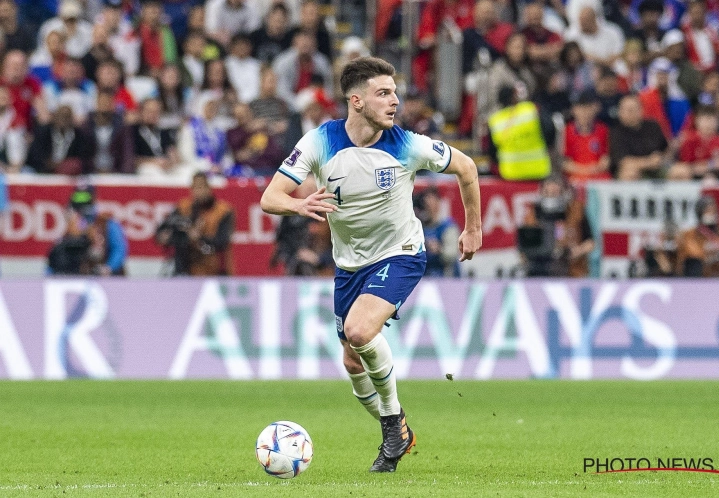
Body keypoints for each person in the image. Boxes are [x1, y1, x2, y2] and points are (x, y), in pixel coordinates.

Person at [260, 57, 481, 472]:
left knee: (361, 331)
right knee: (351, 361)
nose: (395, 101)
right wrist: (298, 203)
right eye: (384, 93)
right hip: (349, 264)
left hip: (401, 253)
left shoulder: (407, 144)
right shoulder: (319, 142)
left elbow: (467, 168)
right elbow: (269, 197)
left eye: (395, 93)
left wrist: (473, 228)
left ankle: (394, 425)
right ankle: (396, 427)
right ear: (356, 100)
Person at [156, 172, 235, 276]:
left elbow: (222, 241)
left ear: (209, 188)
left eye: (201, 187)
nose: (198, 191)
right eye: (195, 187)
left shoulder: (223, 211)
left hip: (215, 271)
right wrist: (166, 237)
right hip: (186, 269)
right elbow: (164, 230)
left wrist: (199, 238)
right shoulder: (183, 207)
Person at [517, 176, 594, 277]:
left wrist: (577, 251)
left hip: (571, 269)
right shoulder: (533, 214)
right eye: (547, 192)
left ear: (564, 192)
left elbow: (591, 242)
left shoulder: (576, 211)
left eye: (555, 192)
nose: (551, 196)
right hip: (539, 269)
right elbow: (524, 246)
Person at [48, 184, 128, 276]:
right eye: (78, 197)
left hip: (106, 275)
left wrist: (108, 268)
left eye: (85, 197)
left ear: (93, 198)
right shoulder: (74, 225)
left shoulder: (106, 223)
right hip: (80, 274)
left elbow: (119, 249)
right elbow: (59, 252)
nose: (82, 202)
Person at [676, 195, 719, 277]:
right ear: (699, 212)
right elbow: (692, 253)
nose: (712, 214)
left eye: (714, 211)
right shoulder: (689, 234)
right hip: (697, 275)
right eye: (708, 211)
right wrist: (709, 252)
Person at [414, 187, 460, 277]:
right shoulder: (419, 227)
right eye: (425, 203)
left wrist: (439, 249)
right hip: (424, 276)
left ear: (438, 203)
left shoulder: (447, 226)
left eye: (430, 203)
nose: (427, 206)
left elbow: (452, 254)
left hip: (445, 277)